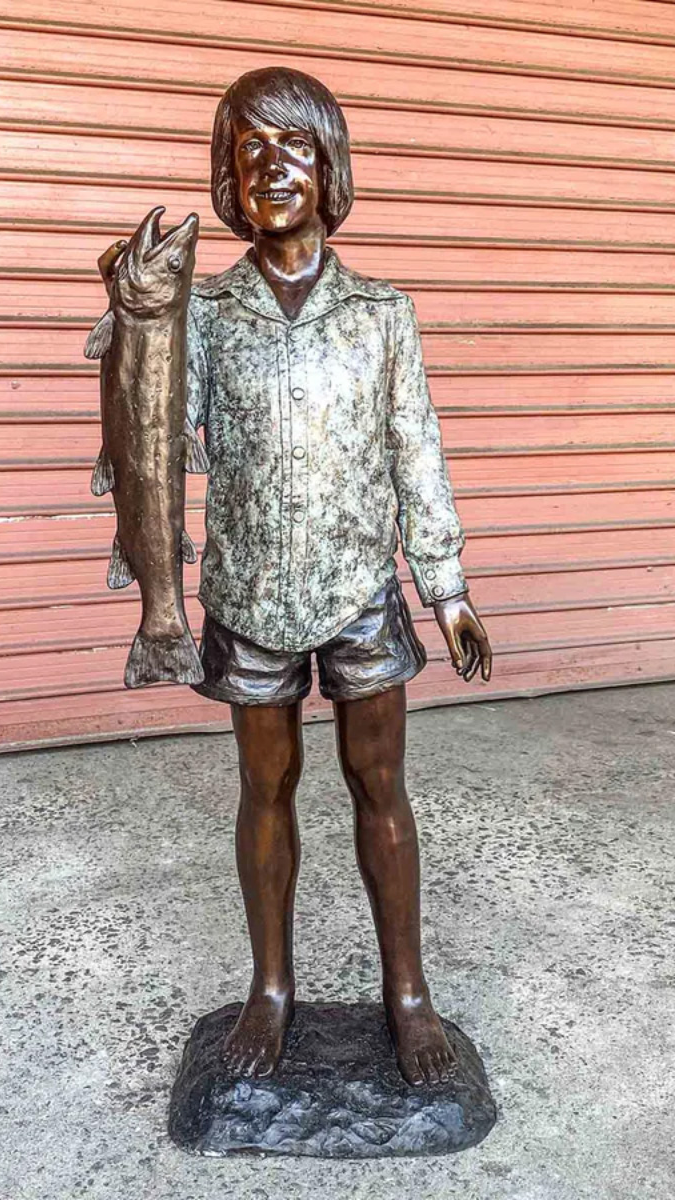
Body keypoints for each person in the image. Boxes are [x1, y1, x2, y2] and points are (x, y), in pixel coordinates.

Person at [136, 66, 492, 1087]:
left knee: (380, 784)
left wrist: (448, 584)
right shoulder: (201, 315)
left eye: (293, 147)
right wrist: (138, 320)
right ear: (226, 178)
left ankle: (408, 992)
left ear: (330, 167)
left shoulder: (383, 314)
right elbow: (154, 423)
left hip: (357, 592)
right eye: (249, 151)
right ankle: (272, 986)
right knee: (266, 788)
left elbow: (415, 447)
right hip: (250, 595)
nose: (271, 169)